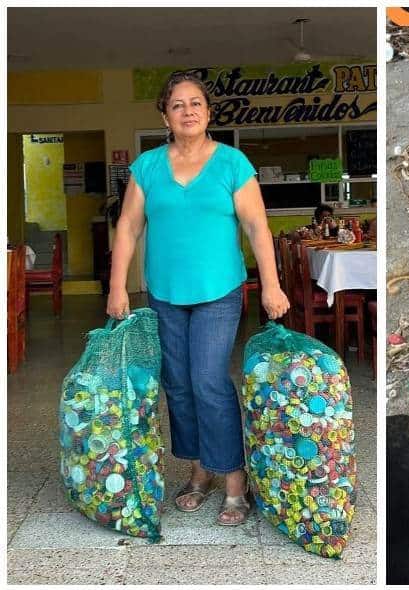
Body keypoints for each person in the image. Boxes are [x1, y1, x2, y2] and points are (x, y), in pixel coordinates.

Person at [106, 71, 289, 526]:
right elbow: (128, 227)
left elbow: (256, 228)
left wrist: (271, 283)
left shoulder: (232, 164)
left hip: (218, 292)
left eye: (196, 104)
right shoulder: (147, 167)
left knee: (208, 380)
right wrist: (116, 286)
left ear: (208, 112)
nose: (188, 111)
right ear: (165, 114)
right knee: (180, 385)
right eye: (178, 105)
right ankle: (199, 469)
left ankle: (233, 478)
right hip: (165, 292)